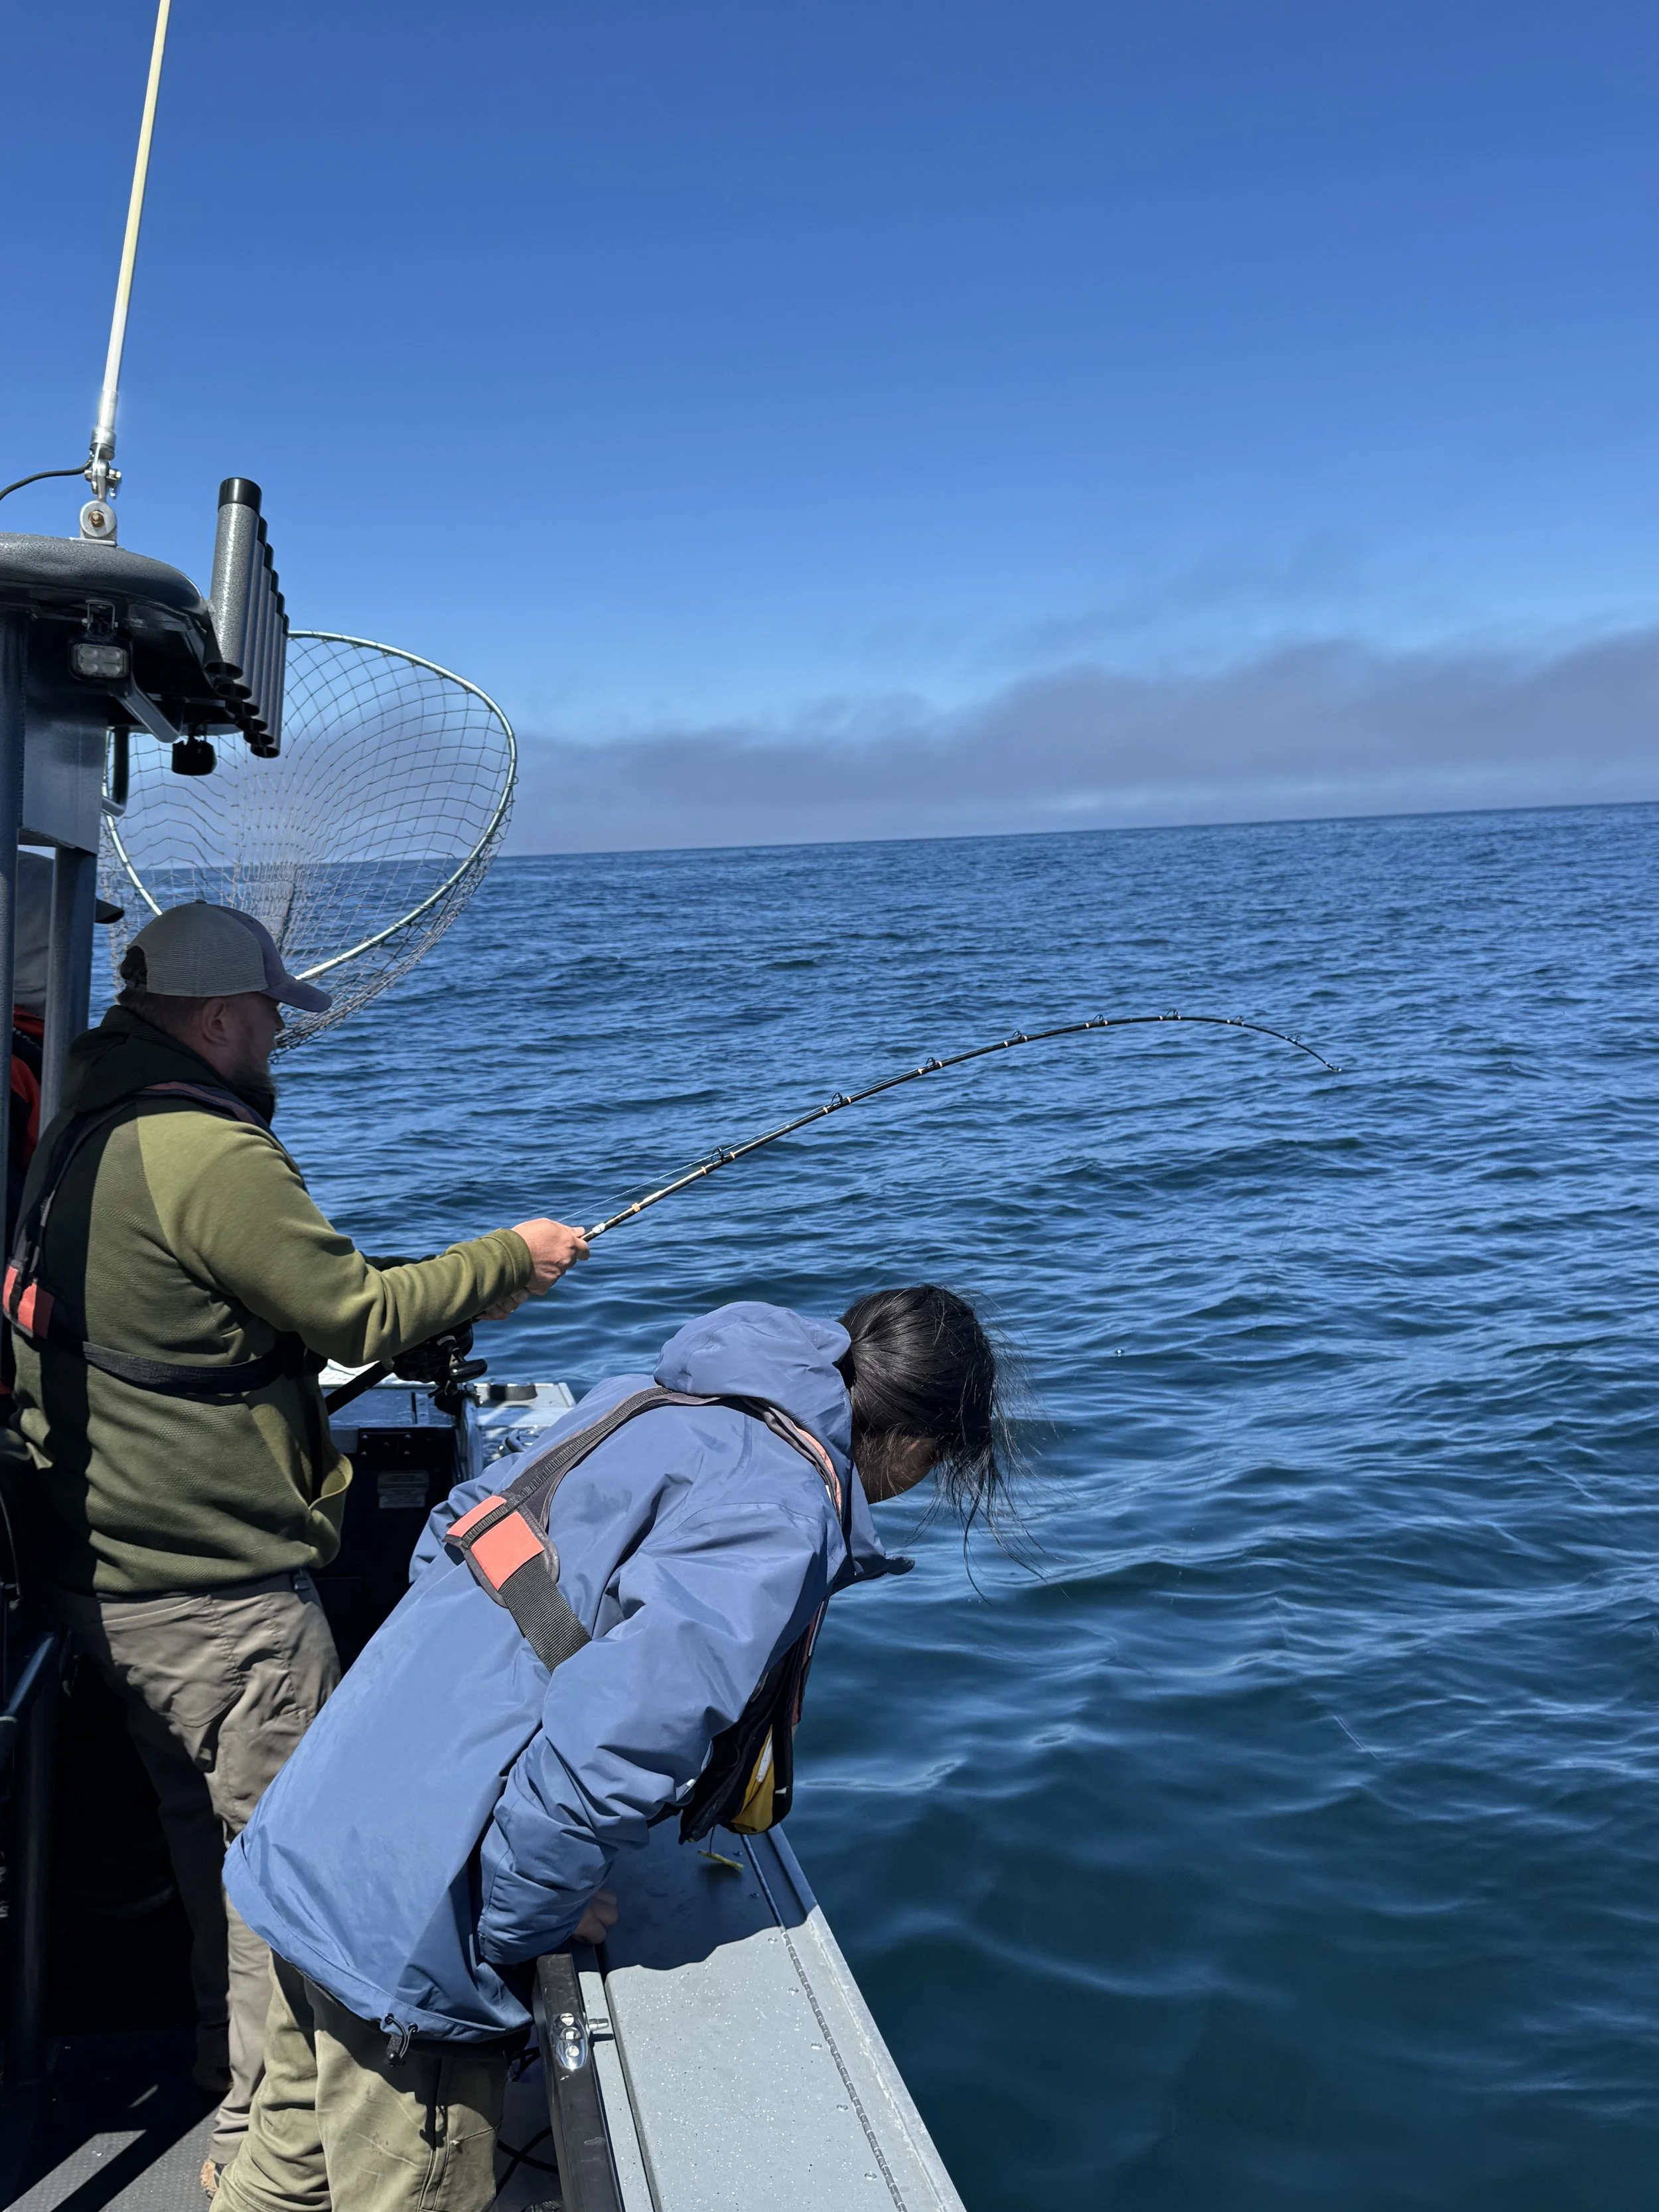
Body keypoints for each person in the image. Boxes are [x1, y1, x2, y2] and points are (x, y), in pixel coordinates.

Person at [7, 900, 590, 2191]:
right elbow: (351, 1309)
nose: (279, 1036)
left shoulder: (77, 1115)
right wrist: (511, 1258)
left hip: (104, 1576)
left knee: (203, 1841)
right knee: (297, 1872)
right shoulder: (204, 1150)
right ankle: (269, 2156)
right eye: (270, 1014)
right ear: (220, 1017)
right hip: (220, 1598)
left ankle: (233, 2076)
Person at [214, 1287, 1008, 2212]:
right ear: (916, 1444)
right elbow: (608, 1751)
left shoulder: (644, 1397)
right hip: (405, 1931)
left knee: (279, 2178)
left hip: (319, 1824)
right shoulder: (783, 1510)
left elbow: (452, 1538)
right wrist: (515, 1928)